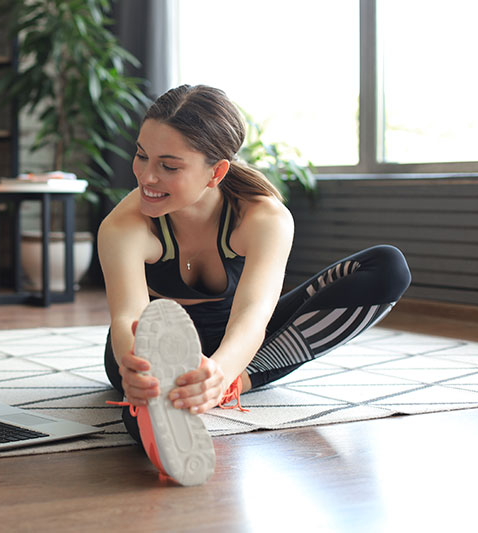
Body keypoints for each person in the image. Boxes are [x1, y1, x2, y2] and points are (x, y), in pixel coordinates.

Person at [98, 84, 411, 486]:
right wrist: (134, 369)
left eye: (169, 166)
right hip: (153, 345)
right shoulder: (124, 225)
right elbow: (129, 316)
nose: (147, 176)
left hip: (240, 343)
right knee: (146, 397)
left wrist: (223, 371)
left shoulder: (263, 218)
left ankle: (235, 385)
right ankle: (161, 400)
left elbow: (253, 317)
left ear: (217, 172)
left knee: (387, 267)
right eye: (141, 155)